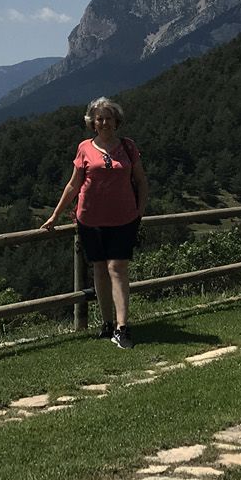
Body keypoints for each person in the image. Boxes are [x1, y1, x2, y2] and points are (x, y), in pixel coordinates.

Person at [41, 96, 149, 349]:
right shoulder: (84, 148)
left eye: (109, 118)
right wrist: (55, 215)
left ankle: (123, 327)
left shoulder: (128, 147)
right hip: (89, 218)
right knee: (100, 268)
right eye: (99, 118)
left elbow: (142, 181)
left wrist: (139, 211)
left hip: (124, 218)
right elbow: (73, 184)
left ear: (116, 121)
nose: (104, 123)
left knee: (117, 268)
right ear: (93, 122)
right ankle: (107, 324)